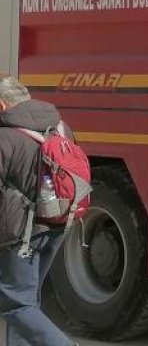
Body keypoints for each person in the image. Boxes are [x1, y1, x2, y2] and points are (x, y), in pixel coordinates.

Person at [0, 76, 78, 346]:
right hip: (57, 221)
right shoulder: (60, 127)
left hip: (21, 232)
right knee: (28, 300)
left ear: (1, 105)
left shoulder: (5, 136)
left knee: (16, 304)